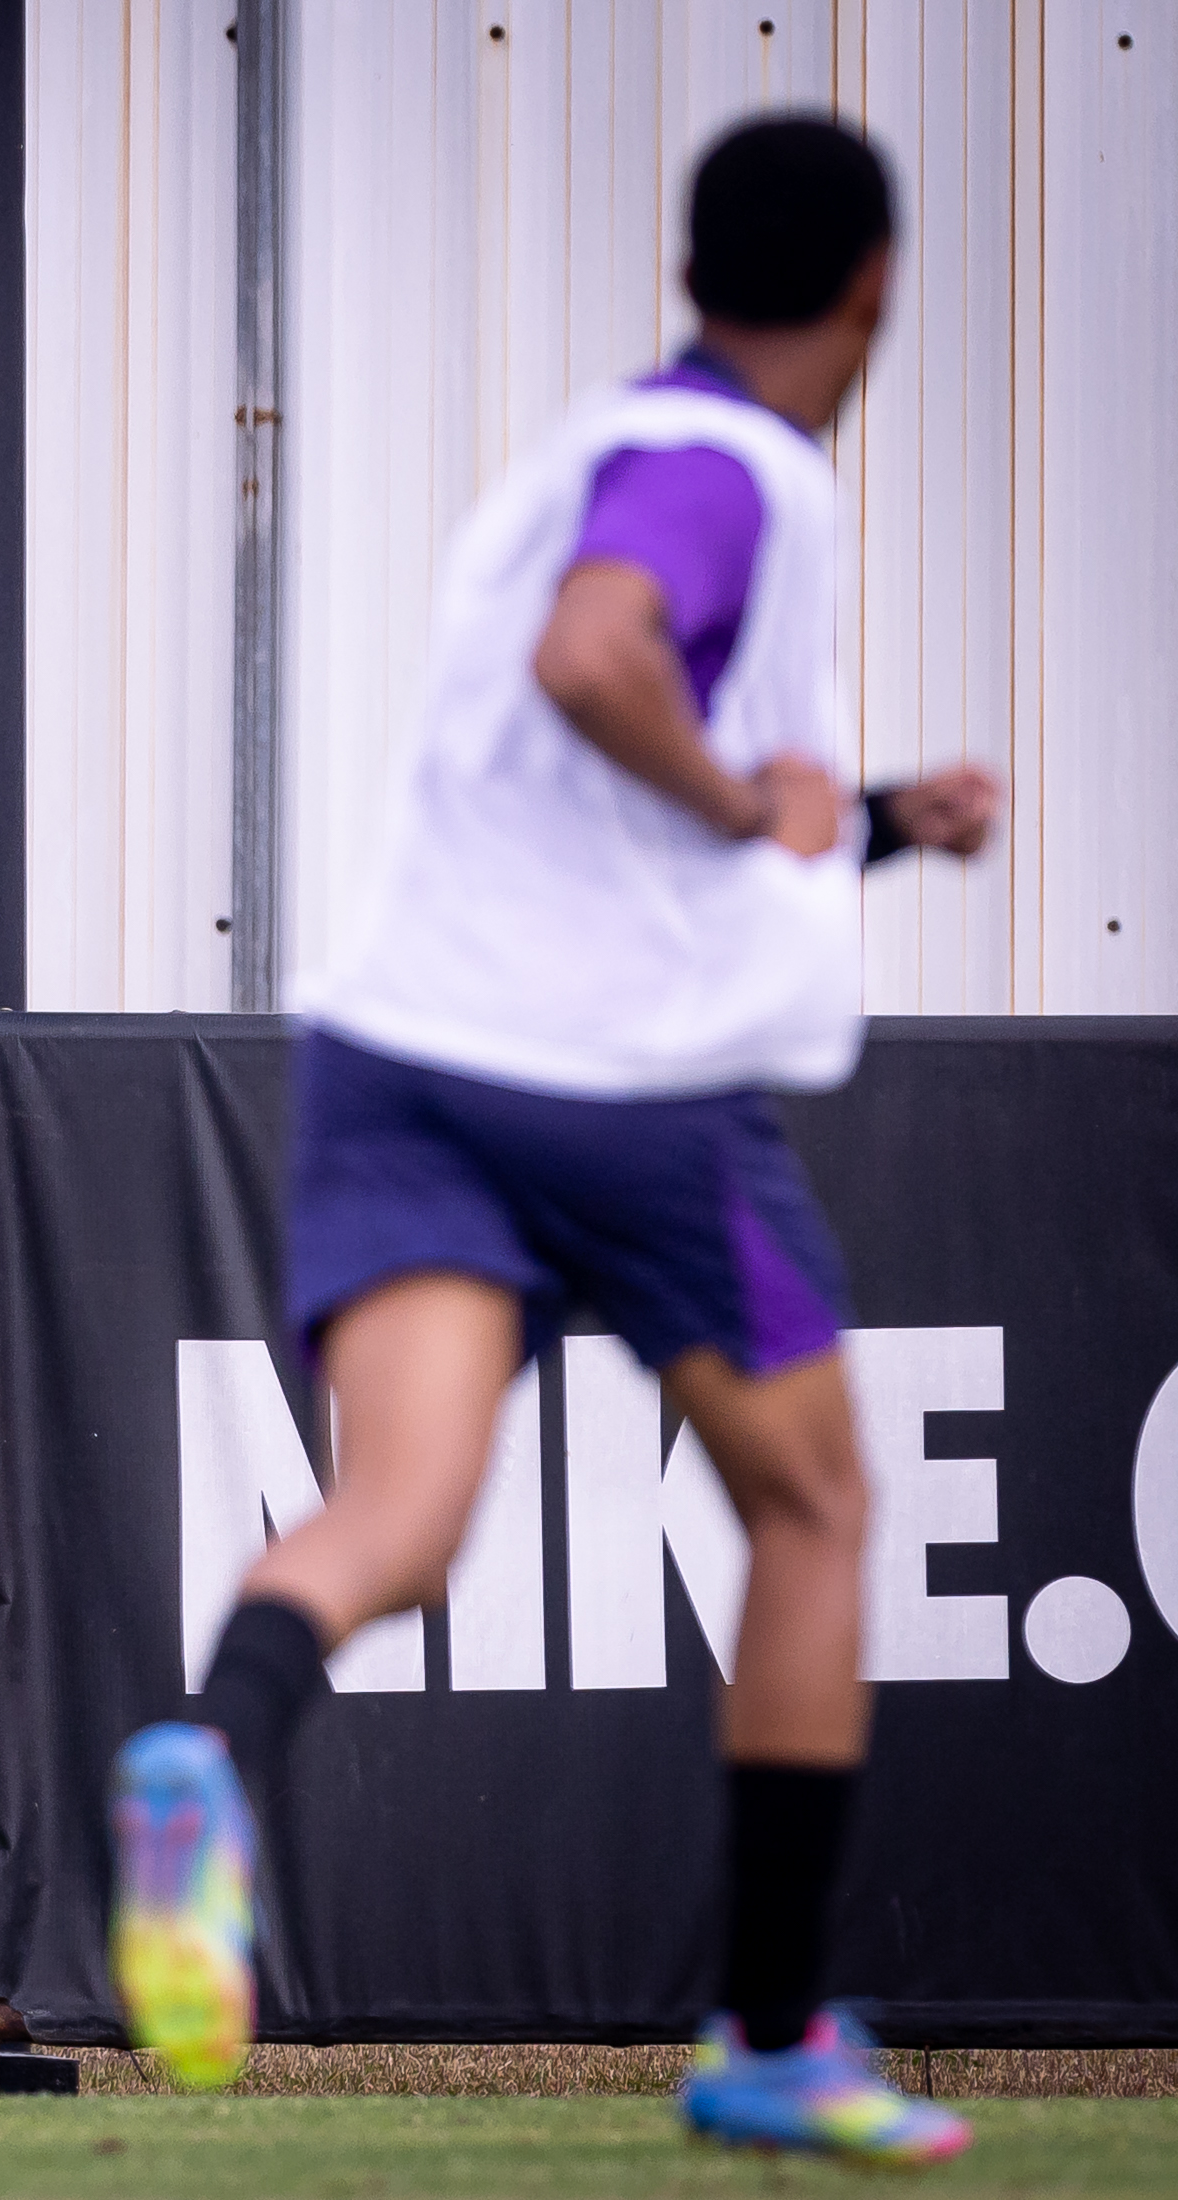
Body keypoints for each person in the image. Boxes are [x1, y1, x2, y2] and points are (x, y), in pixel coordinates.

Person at [109, 117, 997, 2167]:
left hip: (403, 1049)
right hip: (612, 1078)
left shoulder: (583, 452)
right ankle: (774, 2028)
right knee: (820, 1502)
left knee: (402, 1516)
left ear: (695, 267)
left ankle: (211, 1742)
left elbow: (604, 742)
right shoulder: (737, 469)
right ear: (875, 280)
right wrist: (729, 800)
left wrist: (863, 818)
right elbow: (601, 659)